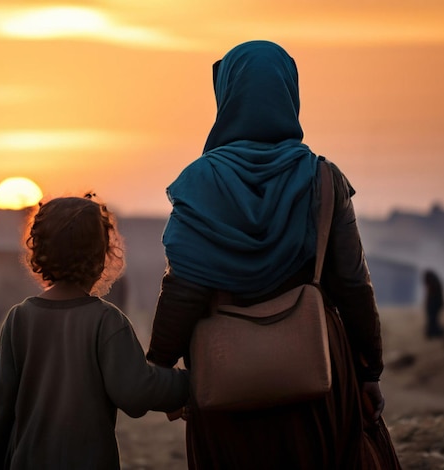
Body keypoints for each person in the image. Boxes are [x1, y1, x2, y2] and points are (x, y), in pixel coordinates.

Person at [147, 40, 402, 469]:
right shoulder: (322, 178)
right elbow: (353, 284)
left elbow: (183, 289)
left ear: (226, 95)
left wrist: (159, 369)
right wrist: (369, 371)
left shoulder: (199, 182)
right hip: (319, 378)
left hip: (225, 382)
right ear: (289, 92)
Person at [0, 194, 189, 469]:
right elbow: (136, 391)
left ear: (39, 251)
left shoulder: (19, 319)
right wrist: (187, 384)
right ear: (102, 255)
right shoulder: (107, 321)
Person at [423, 269, 444, 338]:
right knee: (433, 320)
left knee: (433, 319)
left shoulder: (434, 285)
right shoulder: (435, 284)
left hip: (434, 304)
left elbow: (434, 297)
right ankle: (433, 332)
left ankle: (433, 332)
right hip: (434, 304)